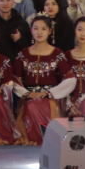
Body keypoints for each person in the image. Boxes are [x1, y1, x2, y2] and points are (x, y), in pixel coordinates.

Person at [13, 17, 74, 145]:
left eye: (43, 29)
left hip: (51, 98)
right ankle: (39, 139)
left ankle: (45, 139)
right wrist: (27, 94)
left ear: (50, 31)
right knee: (31, 105)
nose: (39, 32)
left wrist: (49, 93)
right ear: (31, 31)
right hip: (29, 97)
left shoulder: (57, 54)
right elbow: (14, 79)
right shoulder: (23, 54)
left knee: (39, 105)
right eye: (36, 28)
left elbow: (70, 79)